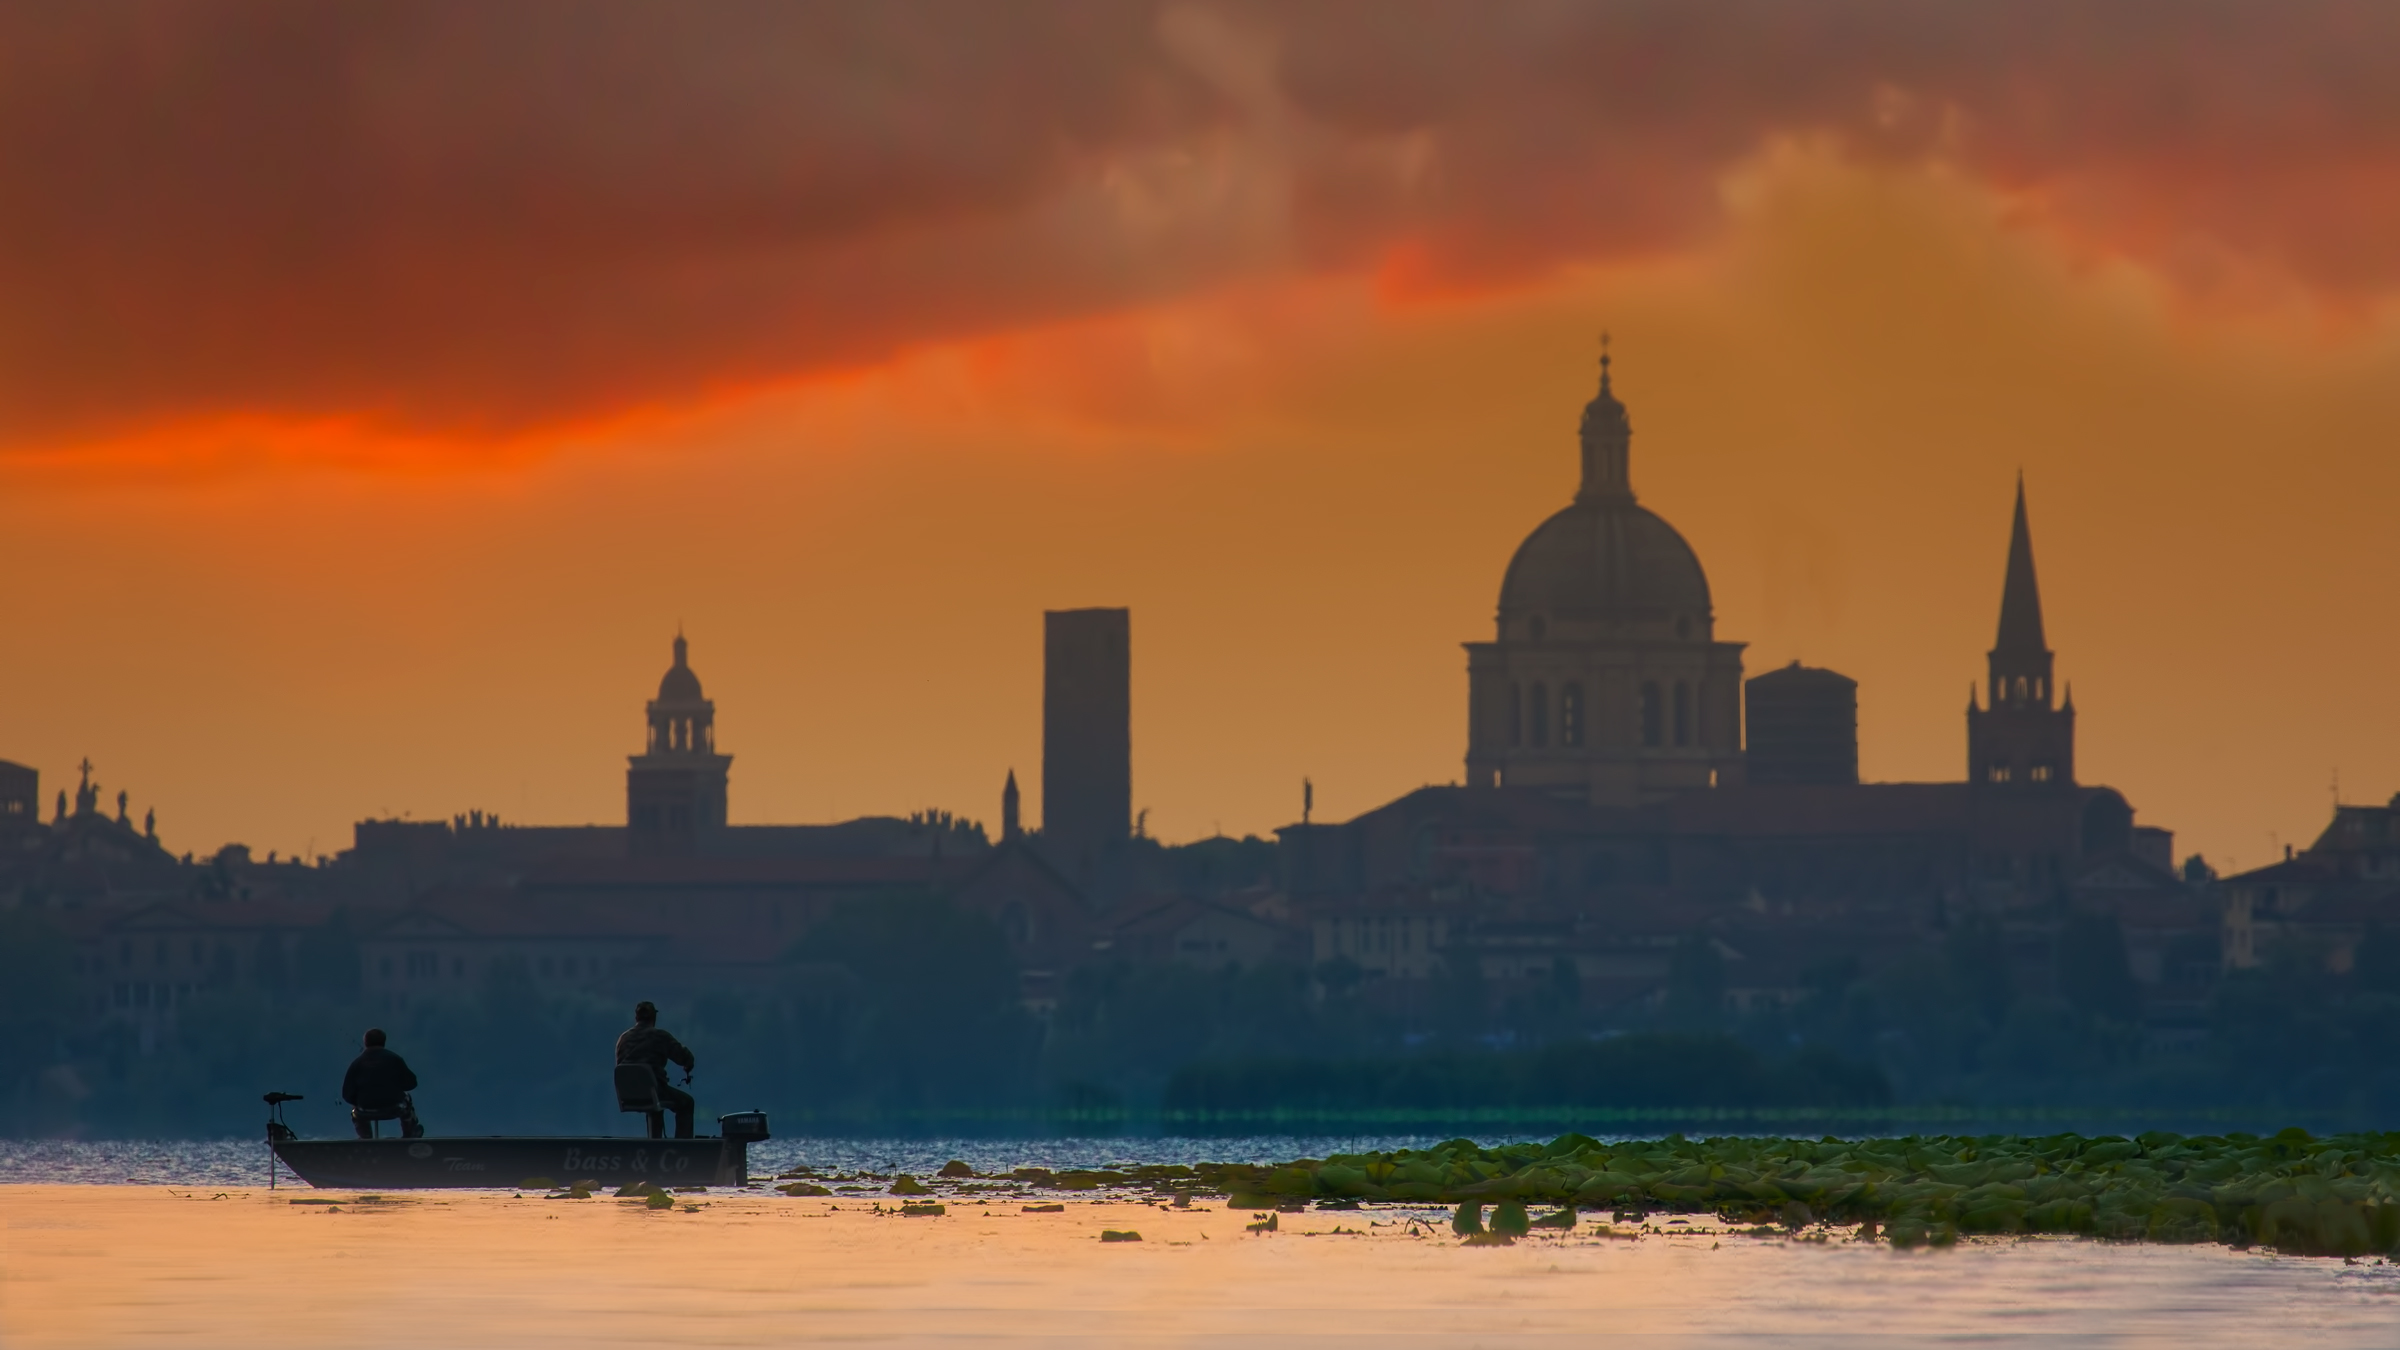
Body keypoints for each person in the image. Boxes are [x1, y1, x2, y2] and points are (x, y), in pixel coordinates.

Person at [614, 1001, 696, 1138]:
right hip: (654, 1090)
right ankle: (683, 1146)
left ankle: (654, 1143)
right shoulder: (659, 1036)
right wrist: (688, 1065)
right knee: (686, 1103)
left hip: (627, 1093)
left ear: (636, 1017)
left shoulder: (623, 1039)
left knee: (652, 1100)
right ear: (654, 1017)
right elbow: (685, 1057)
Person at [341, 1028, 423, 1139]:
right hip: (394, 1106)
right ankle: (409, 1134)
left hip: (365, 1108)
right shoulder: (395, 1059)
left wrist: (359, 1101)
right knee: (407, 1100)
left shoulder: (356, 1064)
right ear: (384, 1041)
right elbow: (411, 1083)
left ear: (365, 1042)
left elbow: (347, 1093)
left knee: (355, 1111)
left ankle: (365, 1138)